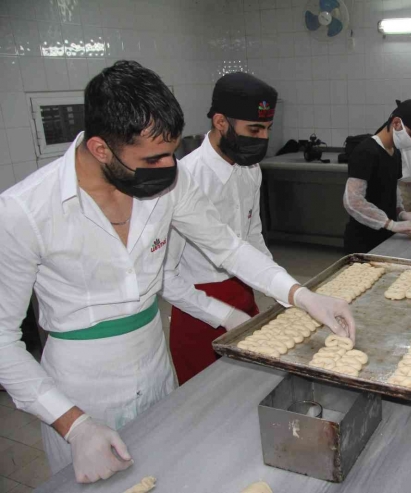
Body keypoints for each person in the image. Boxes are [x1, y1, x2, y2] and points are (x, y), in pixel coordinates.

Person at [0, 61, 355, 484]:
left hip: (154, 366)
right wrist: (72, 423)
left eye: (171, 152)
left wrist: (302, 296)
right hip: (80, 385)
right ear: (100, 149)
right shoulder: (24, 212)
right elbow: (3, 341)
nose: (169, 168)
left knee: (169, 473)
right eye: (153, 158)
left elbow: (228, 245)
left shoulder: (167, 180)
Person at [162, 72, 276, 385]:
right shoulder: (186, 179)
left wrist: (281, 289)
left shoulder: (250, 169)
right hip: (198, 310)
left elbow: (253, 238)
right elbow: (164, 277)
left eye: (267, 128)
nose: (262, 138)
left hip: (244, 293)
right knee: (208, 404)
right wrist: (224, 316)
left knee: (251, 392)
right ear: (221, 122)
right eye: (254, 128)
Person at [342, 99, 411, 253]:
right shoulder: (366, 151)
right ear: (396, 123)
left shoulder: (395, 153)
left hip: (385, 238)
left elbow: (391, 189)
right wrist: (391, 224)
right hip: (363, 242)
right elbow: (353, 201)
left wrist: (401, 213)